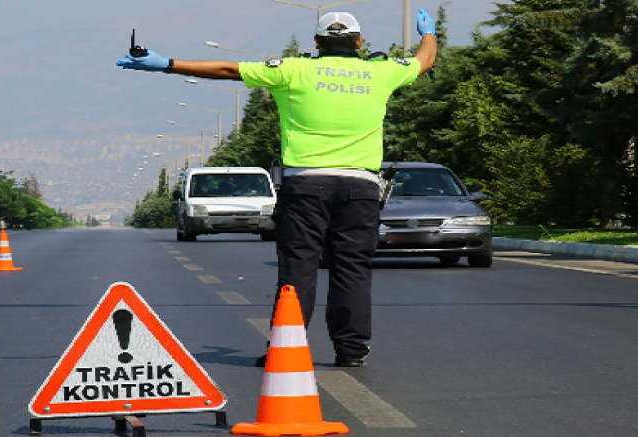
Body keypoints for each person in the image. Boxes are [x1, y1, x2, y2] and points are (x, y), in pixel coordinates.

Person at [117, 9, 438, 367]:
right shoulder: (382, 72)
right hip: (360, 187)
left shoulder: (292, 69)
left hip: (305, 187)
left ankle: (286, 348)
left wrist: (166, 64)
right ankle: (351, 351)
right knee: (353, 269)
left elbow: (228, 70)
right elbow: (424, 61)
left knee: (298, 268)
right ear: (359, 42)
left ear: (316, 43)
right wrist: (429, 34)